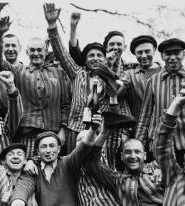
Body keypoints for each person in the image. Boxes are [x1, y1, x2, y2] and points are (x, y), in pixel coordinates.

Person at [44, 3, 133, 170]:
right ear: (85, 60)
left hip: (101, 131)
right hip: (75, 129)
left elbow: (116, 91)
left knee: (100, 168)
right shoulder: (77, 73)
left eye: (99, 55)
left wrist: (106, 71)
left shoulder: (112, 78)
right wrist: (52, 26)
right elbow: (60, 51)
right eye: (91, 55)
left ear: (106, 59)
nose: (95, 58)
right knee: (74, 168)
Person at [83, 112, 164, 206]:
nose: (133, 156)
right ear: (121, 157)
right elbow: (91, 163)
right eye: (128, 152)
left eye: (137, 152)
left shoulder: (158, 168)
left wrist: (162, 170)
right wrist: (104, 133)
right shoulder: (117, 179)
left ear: (145, 155)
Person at [0, 16, 71, 158]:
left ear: (45, 52)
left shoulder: (59, 73)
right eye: (32, 50)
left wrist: (63, 130)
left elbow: (65, 104)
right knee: (27, 174)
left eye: (40, 50)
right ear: (26, 52)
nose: (36, 53)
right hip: (27, 137)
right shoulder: (18, 70)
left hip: (52, 137)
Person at [135, 38, 185, 166]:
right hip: (159, 145)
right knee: (161, 182)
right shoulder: (153, 81)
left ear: (183, 54)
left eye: (176, 53)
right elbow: (145, 116)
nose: (172, 57)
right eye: (168, 54)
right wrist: (139, 145)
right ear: (162, 56)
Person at [69, 12, 137, 76]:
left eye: (119, 44)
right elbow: (76, 55)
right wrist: (73, 27)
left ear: (124, 47)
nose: (115, 47)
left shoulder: (131, 68)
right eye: (112, 44)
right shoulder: (95, 64)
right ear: (106, 47)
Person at [120, 35, 161, 125]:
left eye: (147, 51)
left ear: (154, 50)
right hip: (141, 129)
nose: (143, 56)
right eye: (139, 52)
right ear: (135, 53)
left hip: (165, 128)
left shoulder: (166, 72)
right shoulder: (130, 74)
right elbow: (118, 89)